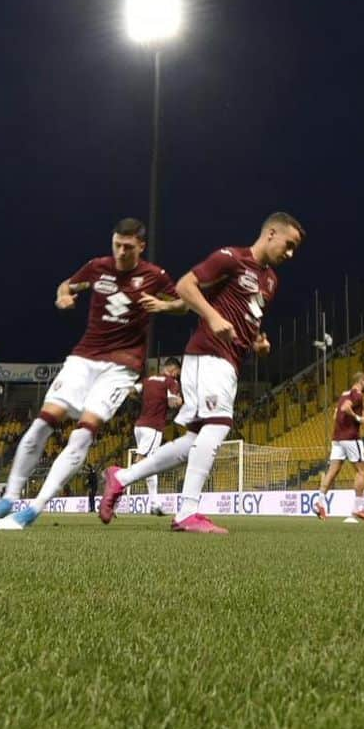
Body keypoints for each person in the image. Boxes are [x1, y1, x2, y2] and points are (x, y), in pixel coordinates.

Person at [101, 212, 306, 534]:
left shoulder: (270, 281)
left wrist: (258, 342)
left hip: (229, 360)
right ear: (270, 233)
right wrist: (211, 317)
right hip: (209, 353)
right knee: (220, 425)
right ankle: (187, 512)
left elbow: (247, 318)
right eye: (288, 244)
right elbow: (185, 286)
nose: (290, 254)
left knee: (196, 439)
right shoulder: (231, 258)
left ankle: (121, 477)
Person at [0, 217, 185, 529]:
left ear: (141, 247)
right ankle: (10, 497)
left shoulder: (154, 275)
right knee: (44, 421)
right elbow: (67, 284)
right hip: (84, 356)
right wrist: (62, 296)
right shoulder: (97, 266)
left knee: (84, 431)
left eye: (128, 247)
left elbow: (183, 303)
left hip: (123, 366)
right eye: (117, 244)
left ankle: (34, 509)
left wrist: (164, 306)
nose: (120, 251)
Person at [315, 373, 364, 522]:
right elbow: (347, 408)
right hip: (351, 438)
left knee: (332, 471)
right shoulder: (357, 395)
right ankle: (358, 507)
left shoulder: (343, 394)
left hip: (337, 438)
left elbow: (336, 414)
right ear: (361, 381)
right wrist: (358, 418)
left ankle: (319, 502)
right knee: (362, 471)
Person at [130, 357, 183, 515]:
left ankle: (154, 504)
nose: (177, 377)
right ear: (173, 370)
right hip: (152, 427)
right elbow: (174, 401)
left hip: (139, 426)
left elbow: (131, 391)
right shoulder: (170, 382)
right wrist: (181, 401)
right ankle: (114, 492)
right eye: (177, 374)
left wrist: (146, 401)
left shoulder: (147, 380)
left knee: (151, 466)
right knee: (140, 463)